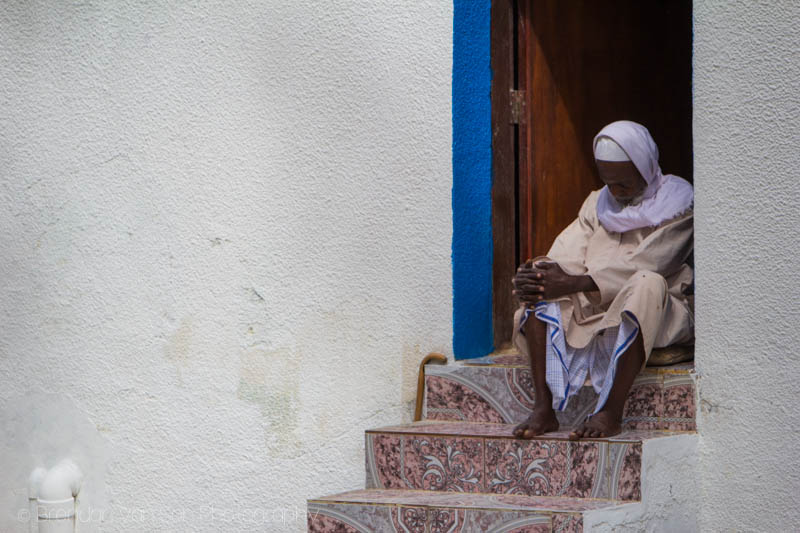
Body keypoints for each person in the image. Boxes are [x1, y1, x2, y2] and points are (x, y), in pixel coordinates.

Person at [510, 120, 694, 440]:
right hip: (593, 309)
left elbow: (650, 263)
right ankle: (544, 409)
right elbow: (566, 253)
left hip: (657, 311)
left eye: (624, 183)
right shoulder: (598, 202)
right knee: (541, 284)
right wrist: (539, 273)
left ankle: (610, 411)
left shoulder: (680, 203)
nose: (616, 192)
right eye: (610, 183)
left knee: (647, 282)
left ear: (647, 168)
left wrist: (577, 283)